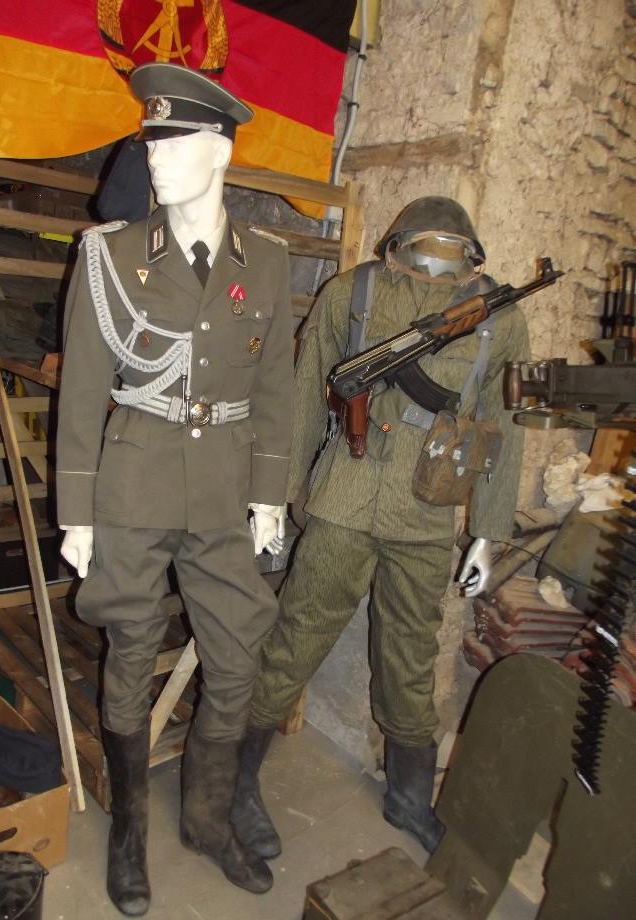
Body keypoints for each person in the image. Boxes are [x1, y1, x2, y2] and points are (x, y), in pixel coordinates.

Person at [56, 63, 294, 915]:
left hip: (224, 485)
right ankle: (129, 832)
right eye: (151, 142)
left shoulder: (268, 262)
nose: (154, 158)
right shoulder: (112, 256)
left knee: (237, 656)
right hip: (135, 479)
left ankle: (205, 819)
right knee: (129, 650)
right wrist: (76, 513)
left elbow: (277, 387)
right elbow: (81, 391)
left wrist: (270, 494)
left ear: (220, 151)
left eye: (175, 141)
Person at [230, 197, 530, 859]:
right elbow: (303, 393)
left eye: (450, 250)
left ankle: (407, 797)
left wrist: (488, 530)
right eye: (424, 246)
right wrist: (274, 496)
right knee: (296, 638)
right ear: (398, 244)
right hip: (346, 496)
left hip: (427, 509)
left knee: (410, 658)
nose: (436, 260)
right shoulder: (352, 292)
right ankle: (235, 780)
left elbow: (503, 429)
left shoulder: (500, 317)